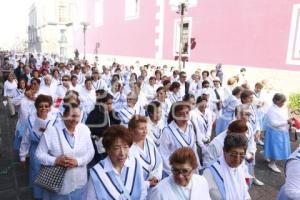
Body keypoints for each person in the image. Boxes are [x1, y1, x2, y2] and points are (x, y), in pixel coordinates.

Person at [35, 103, 94, 199]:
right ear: (64, 115)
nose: (75, 119)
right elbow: (39, 154)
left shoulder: (84, 129)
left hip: (80, 182)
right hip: (60, 185)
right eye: (72, 115)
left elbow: (91, 152)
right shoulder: (51, 131)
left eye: (78, 116)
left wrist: (78, 162)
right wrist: (55, 160)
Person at [87, 125, 147, 200]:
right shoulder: (97, 173)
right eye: (117, 148)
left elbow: (143, 191)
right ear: (108, 150)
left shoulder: (135, 164)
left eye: (125, 147)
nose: (122, 153)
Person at [19, 94, 55, 199]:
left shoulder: (55, 119)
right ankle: (39, 196)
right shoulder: (30, 120)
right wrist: (22, 156)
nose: (44, 108)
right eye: (41, 106)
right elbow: (26, 139)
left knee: (51, 176)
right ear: (36, 107)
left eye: (46, 106)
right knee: (37, 175)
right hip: (36, 153)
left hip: (50, 153)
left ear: (49, 107)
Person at [203, 134, 251, 200]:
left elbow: (245, 194)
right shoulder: (209, 173)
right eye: (233, 154)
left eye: (242, 155)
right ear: (224, 151)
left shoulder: (240, 168)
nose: (237, 159)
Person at [160, 101, 201, 176]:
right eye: (181, 114)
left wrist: (196, 166)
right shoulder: (167, 131)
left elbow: (193, 148)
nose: (185, 116)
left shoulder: (190, 126)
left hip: (190, 169)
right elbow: (164, 155)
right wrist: (175, 173)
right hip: (176, 172)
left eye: (187, 113)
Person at [86, 90, 121, 166]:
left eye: (111, 103)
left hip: (109, 143)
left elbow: (117, 122)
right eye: (108, 104)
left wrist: (111, 112)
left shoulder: (109, 112)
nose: (110, 105)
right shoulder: (95, 113)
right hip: (97, 145)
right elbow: (89, 128)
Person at [128, 115, 163, 189]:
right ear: (131, 130)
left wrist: (157, 177)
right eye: (141, 129)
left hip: (156, 184)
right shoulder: (128, 148)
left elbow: (159, 161)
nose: (145, 131)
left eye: (145, 128)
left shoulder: (149, 140)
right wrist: (147, 183)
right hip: (140, 189)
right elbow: (129, 177)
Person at [264, 93, 292, 173]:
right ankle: (272, 163)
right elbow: (273, 123)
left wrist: (288, 121)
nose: (283, 103)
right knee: (276, 148)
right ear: (276, 101)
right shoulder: (271, 110)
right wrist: (286, 121)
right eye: (281, 101)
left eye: (283, 101)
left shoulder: (282, 108)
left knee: (274, 147)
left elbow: (284, 117)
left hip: (282, 131)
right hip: (275, 132)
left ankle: (270, 159)